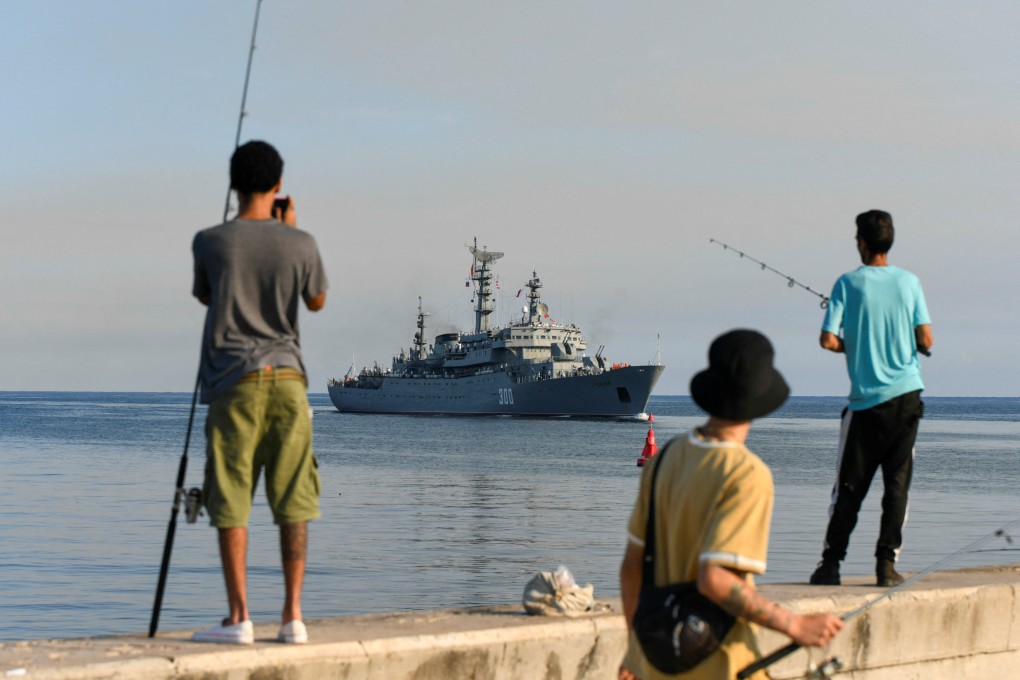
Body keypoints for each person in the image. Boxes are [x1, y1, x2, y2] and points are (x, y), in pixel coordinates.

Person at [619, 330, 843, 680]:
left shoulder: (665, 460)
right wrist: (795, 625)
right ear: (762, 399)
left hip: (658, 665)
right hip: (724, 665)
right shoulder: (748, 474)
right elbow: (716, 580)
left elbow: (632, 568)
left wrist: (635, 650)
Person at [190, 140, 328, 644]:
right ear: (278, 187)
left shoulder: (208, 241)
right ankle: (293, 617)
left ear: (232, 184)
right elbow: (315, 301)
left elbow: (208, 295)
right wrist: (287, 233)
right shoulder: (303, 242)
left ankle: (239, 617)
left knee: (230, 497)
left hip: (234, 383)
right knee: (294, 498)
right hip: (289, 381)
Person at [809, 209, 932, 588]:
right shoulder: (909, 282)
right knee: (897, 485)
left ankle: (831, 564)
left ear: (862, 241)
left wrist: (854, 344)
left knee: (849, 486)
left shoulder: (847, 283)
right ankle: (886, 564)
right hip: (907, 397)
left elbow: (828, 339)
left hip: (865, 403)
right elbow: (926, 339)